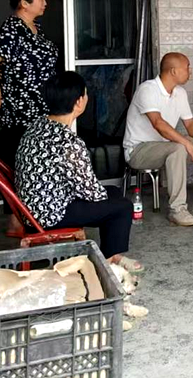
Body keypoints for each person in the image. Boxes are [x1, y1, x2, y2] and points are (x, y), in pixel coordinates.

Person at [16, 71, 140, 269]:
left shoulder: (37, 126)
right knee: (122, 207)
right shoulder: (68, 142)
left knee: (114, 193)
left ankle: (112, 255)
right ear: (79, 102)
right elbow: (91, 192)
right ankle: (109, 263)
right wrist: (106, 198)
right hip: (51, 214)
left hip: (34, 208)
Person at [0, 0, 58, 236]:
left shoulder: (35, 27)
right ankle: (16, 222)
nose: (45, 3)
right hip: (19, 113)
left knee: (33, 165)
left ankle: (30, 217)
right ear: (24, 3)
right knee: (20, 166)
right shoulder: (13, 28)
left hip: (39, 111)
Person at [123, 53, 193, 227]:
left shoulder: (180, 93)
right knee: (178, 148)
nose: (190, 72)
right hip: (138, 151)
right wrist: (187, 144)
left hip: (165, 146)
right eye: (187, 67)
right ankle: (177, 209)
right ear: (174, 71)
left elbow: (190, 124)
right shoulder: (147, 89)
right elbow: (158, 124)